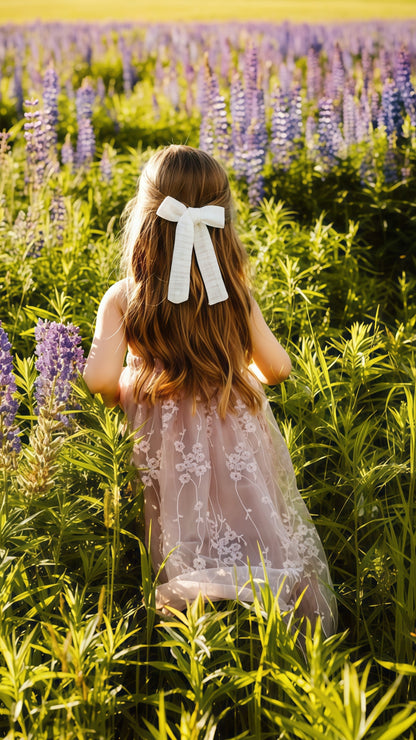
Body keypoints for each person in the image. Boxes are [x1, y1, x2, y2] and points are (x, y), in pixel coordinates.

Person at [84, 145, 337, 636]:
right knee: (252, 521)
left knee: (178, 532)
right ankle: (271, 629)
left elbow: (97, 380)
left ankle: (192, 638)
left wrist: (138, 386)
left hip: (164, 442)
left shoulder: (125, 297)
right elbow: (279, 368)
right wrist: (233, 376)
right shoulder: (233, 294)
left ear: (146, 215)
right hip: (233, 430)